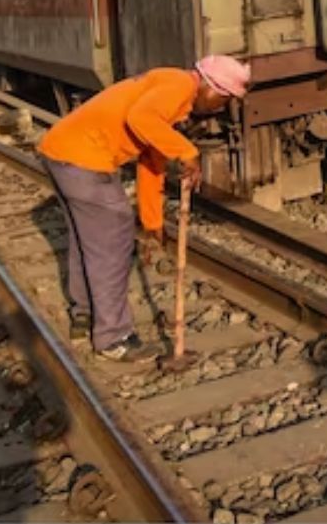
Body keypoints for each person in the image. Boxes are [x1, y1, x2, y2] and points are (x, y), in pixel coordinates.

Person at [34, 54, 250, 361]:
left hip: (61, 153)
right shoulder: (178, 85)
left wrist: (153, 223)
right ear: (211, 87)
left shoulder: (170, 93)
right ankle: (113, 338)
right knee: (112, 241)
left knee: (87, 240)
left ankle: (84, 314)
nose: (221, 107)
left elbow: (151, 162)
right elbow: (140, 118)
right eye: (224, 99)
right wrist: (187, 151)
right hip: (84, 159)